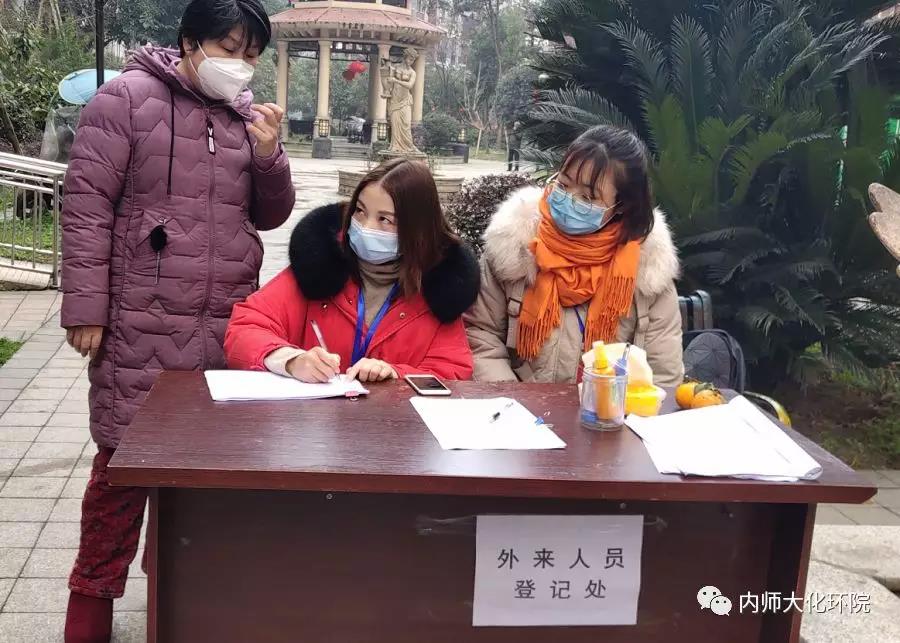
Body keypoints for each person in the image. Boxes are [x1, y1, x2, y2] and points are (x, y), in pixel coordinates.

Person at [60, 0, 295, 640]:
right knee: (120, 470)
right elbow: (86, 206)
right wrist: (86, 308)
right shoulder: (125, 100)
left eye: (252, 55)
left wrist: (270, 156)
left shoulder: (244, 117)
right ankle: (90, 606)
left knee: (200, 475)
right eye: (230, 48)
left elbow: (270, 214)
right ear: (191, 42)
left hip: (223, 324)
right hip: (141, 319)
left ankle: (179, 595)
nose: (241, 65)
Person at [465, 125, 684, 386]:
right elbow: (482, 338)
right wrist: (514, 401)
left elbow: (662, 373)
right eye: (564, 184)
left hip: (612, 409)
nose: (568, 200)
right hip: (518, 406)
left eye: (588, 197)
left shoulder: (648, 271)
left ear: (621, 206)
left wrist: (615, 408)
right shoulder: (513, 247)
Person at [226, 158, 480, 382]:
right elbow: (244, 328)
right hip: (311, 419)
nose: (365, 227)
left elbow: (453, 371)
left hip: (390, 420)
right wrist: (290, 360)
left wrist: (395, 374)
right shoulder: (317, 269)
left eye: (385, 219)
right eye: (359, 211)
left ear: (417, 231)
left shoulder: (440, 292)